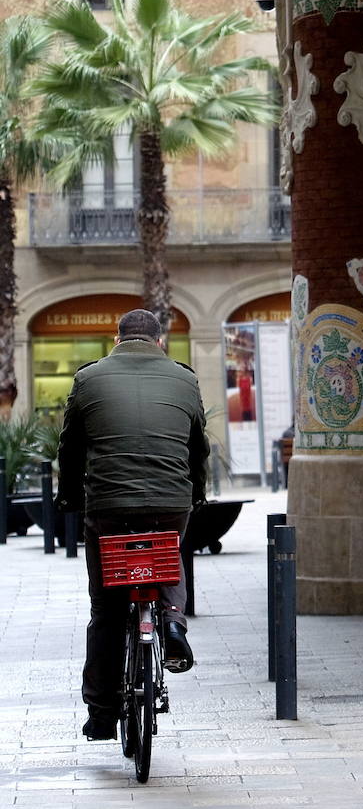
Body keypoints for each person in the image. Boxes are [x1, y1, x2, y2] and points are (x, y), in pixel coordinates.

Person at [56, 307, 209, 742]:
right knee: (169, 549)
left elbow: (70, 447)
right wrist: (194, 494)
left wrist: (69, 496)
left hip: (108, 506)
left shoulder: (89, 378)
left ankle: (102, 714)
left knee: (106, 608)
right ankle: (174, 622)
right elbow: (198, 448)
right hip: (169, 502)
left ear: (116, 338)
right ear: (160, 341)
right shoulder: (185, 378)